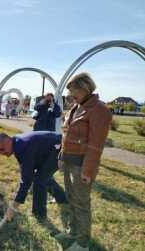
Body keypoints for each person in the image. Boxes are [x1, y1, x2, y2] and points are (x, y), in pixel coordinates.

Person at [56, 73, 112, 251]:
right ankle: (72, 232)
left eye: (73, 91)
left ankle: (82, 243)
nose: (70, 96)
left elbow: (96, 145)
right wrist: (61, 157)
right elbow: (66, 135)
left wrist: (87, 171)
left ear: (85, 89)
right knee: (71, 198)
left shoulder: (98, 110)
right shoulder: (76, 108)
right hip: (69, 162)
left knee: (81, 203)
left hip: (82, 166)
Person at [0, 131, 66, 221]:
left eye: (2, 149)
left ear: (8, 140)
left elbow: (26, 179)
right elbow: (24, 168)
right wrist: (28, 182)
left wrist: (13, 207)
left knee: (39, 180)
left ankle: (39, 215)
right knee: (43, 175)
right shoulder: (15, 142)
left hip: (61, 146)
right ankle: (62, 197)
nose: (2, 153)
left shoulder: (22, 146)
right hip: (49, 149)